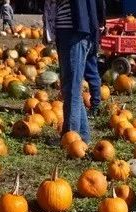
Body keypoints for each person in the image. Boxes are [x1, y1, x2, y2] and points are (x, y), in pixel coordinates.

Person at [43, 0, 104, 143]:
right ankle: (82, 137)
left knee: (71, 88)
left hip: (74, 32)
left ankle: (70, 138)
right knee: (71, 87)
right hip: (67, 31)